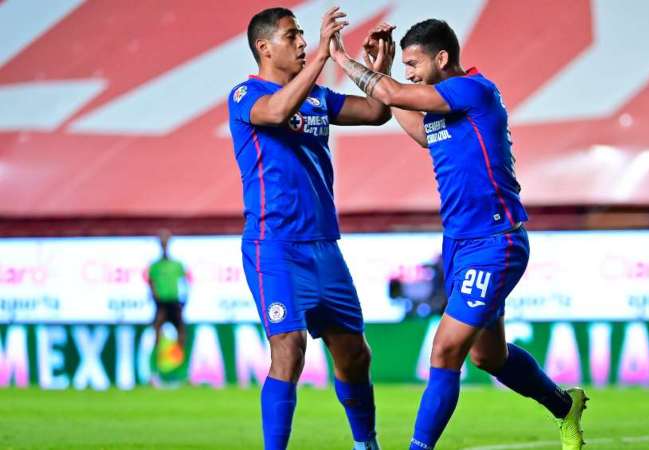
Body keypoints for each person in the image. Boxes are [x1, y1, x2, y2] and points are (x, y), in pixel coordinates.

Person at [331, 19, 588, 450]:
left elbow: (393, 93)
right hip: (457, 244)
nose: (410, 71)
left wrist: (342, 59)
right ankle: (565, 407)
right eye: (406, 65)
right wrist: (389, 73)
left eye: (414, 63)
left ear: (442, 58)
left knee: (445, 350)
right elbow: (417, 128)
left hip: (495, 242)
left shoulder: (474, 90)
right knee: (489, 357)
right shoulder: (441, 112)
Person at [226, 7, 393, 450]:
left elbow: (378, 112)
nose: (301, 43)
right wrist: (323, 53)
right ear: (264, 47)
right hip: (274, 245)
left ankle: (366, 444)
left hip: (324, 246)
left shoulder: (317, 97)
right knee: (289, 348)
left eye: (303, 36)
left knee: (355, 355)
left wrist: (379, 66)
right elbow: (277, 112)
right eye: (292, 36)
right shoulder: (245, 95)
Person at [148, 229, 188, 351]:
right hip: (161, 302)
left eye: (166, 240)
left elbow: (185, 283)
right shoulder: (155, 266)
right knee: (156, 329)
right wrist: (156, 299)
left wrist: (184, 300)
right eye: (162, 241)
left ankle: (180, 358)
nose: (164, 244)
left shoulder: (177, 265)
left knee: (181, 331)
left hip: (174, 301)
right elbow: (152, 284)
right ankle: (157, 358)